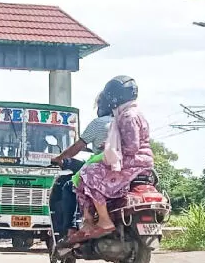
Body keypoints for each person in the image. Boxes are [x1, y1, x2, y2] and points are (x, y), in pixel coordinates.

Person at [72, 76, 153, 241]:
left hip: (133, 162)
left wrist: (112, 152)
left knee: (87, 173)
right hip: (141, 161)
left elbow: (131, 147)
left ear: (115, 97)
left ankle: (103, 220)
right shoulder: (133, 113)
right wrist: (108, 147)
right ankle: (92, 218)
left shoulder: (127, 116)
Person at [50, 94, 113, 240]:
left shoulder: (99, 123)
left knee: (69, 186)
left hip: (103, 170)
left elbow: (77, 148)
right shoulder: (126, 123)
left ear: (102, 106)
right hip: (127, 171)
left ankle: (71, 228)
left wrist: (59, 158)